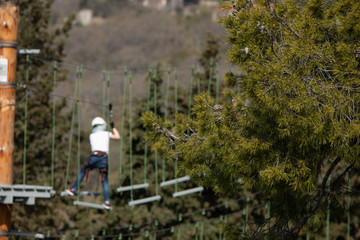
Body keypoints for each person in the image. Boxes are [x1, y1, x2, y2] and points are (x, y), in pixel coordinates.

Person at [66, 117, 120, 209]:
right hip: (103, 158)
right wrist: (113, 127)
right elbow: (118, 136)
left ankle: (73, 189)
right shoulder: (106, 134)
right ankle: (107, 202)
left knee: (83, 171)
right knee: (104, 180)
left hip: (94, 157)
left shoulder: (91, 135)